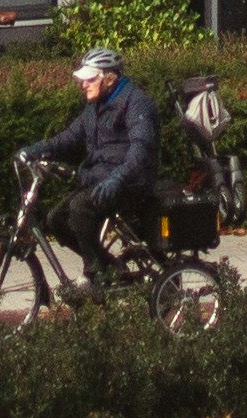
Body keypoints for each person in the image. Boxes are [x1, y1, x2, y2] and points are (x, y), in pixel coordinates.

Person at [26, 45, 156, 272]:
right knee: (55, 219)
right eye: (82, 80)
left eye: (90, 79)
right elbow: (71, 136)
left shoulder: (135, 102)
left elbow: (141, 148)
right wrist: (38, 149)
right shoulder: (95, 106)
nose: (83, 85)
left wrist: (118, 179)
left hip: (130, 183)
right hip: (100, 179)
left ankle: (95, 274)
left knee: (80, 208)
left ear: (110, 78)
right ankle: (110, 268)